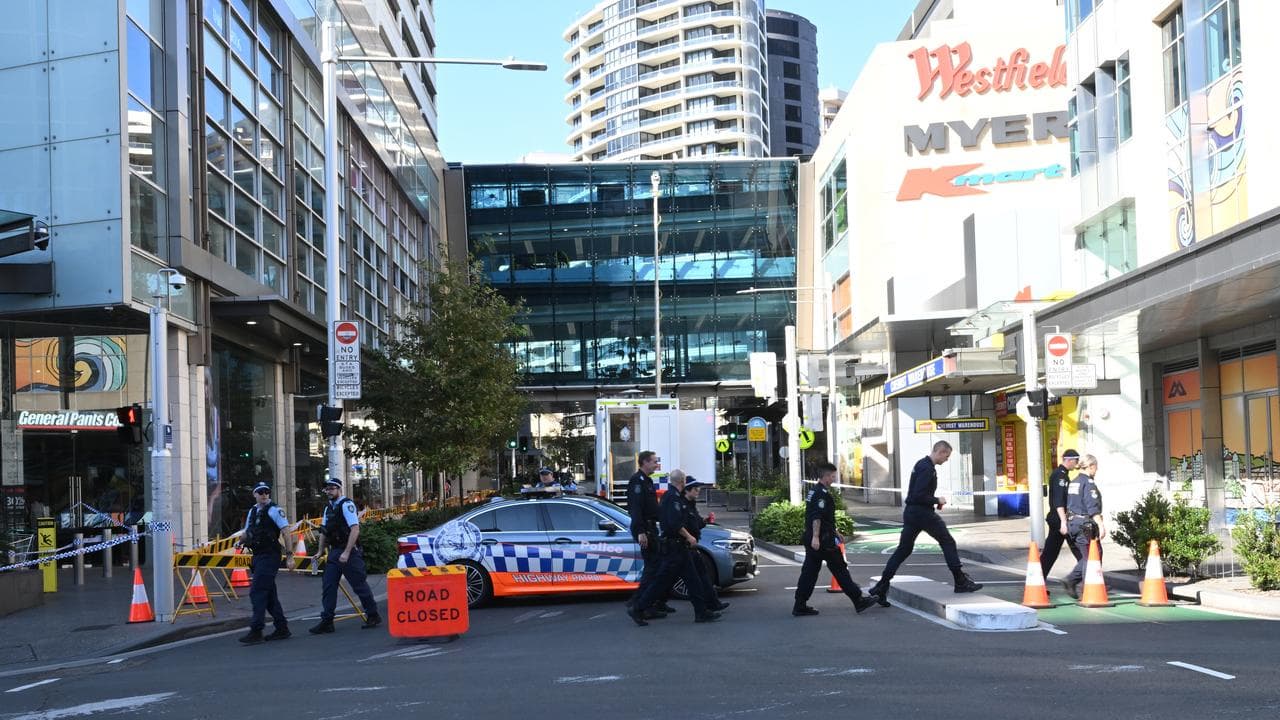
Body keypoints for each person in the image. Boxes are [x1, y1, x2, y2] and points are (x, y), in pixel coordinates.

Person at [869, 441, 983, 605]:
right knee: (947, 541)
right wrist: (937, 499)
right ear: (940, 452)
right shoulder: (927, 468)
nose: (947, 459)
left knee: (904, 550)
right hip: (922, 513)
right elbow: (918, 495)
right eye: (947, 455)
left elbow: (917, 494)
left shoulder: (921, 464)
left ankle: (881, 586)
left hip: (912, 513)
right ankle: (960, 581)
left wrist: (933, 501)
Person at [626, 471, 721, 625]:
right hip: (675, 547)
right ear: (682, 481)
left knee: (692, 581)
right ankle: (638, 608)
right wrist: (689, 537)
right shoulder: (672, 498)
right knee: (662, 582)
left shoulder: (673, 497)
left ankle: (701, 612)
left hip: (679, 547)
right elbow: (674, 523)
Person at [793, 461, 877, 616]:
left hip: (816, 537)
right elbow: (817, 517)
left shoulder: (814, 491)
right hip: (824, 541)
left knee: (809, 573)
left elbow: (823, 517)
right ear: (825, 477)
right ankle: (858, 600)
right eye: (832, 476)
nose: (834, 479)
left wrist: (835, 531)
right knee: (840, 570)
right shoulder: (821, 494)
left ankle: (800, 604)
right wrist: (817, 537)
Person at [309, 478, 381, 633]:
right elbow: (324, 532)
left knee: (359, 585)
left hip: (349, 551)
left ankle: (373, 614)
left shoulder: (346, 505)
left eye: (332, 488)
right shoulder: (328, 508)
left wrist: (347, 552)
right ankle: (327, 621)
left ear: (339, 489)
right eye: (327, 489)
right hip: (335, 552)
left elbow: (355, 529)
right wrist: (320, 551)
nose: (329, 491)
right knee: (329, 586)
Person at [237, 483, 292, 644]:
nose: (264, 495)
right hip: (258, 555)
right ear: (254, 494)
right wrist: (240, 541)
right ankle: (282, 628)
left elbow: (286, 532)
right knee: (269, 595)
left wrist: (289, 556)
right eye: (260, 492)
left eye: (267, 492)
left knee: (258, 591)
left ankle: (256, 630)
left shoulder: (275, 510)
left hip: (270, 555)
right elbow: (248, 532)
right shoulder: (253, 511)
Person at [626, 451, 676, 617]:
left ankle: (653, 602)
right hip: (645, 529)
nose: (657, 465)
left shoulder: (646, 480)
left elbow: (652, 508)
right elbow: (636, 509)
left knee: (656, 567)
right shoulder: (637, 481)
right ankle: (640, 605)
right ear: (645, 462)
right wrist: (641, 531)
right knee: (653, 568)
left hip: (650, 528)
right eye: (654, 462)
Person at [1062, 454, 1105, 600]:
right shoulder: (1088, 483)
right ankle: (1086, 588)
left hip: (1073, 523)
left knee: (1088, 556)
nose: (1097, 470)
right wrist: (1100, 524)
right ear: (1091, 466)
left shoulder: (1074, 482)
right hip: (1084, 525)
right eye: (1096, 467)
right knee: (1093, 556)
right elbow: (1092, 506)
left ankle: (1073, 581)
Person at [682, 476, 728, 612]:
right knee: (691, 579)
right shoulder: (681, 504)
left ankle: (713, 603)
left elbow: (696, 523)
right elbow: (678, 525)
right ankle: (641, 605)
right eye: (696, 489)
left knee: (702, 575)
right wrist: (689, 537)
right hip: (683, 546)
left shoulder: (691, 504)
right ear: (687, 490)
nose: (698, 492)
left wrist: (706, 520)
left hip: (692, 546)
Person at [1041, 449, 1082, 580]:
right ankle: (1077, 581)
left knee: (1050, 553)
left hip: (1061, 520)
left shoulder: (1062, 474)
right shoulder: (1060, 476)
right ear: (1069, 460)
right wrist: (1063, 522)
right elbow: (1059, 502)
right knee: (1082, 552)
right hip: (1061, 520)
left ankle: (1038, 581)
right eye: (1075, 461)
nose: (1076, 464)